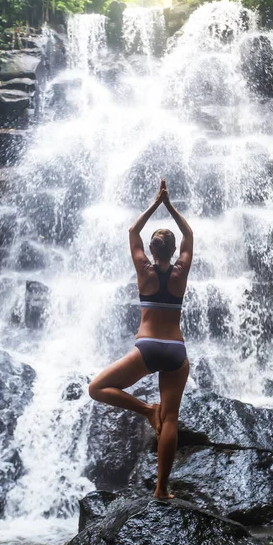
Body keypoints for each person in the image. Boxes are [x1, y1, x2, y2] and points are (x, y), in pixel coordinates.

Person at [88, 178, 193, 499]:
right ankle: (162, 489)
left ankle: (147, 410)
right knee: (172, 418)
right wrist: (171, 206)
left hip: (146, 347)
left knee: (97, 388)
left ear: (151, 249)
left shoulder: (144, 270)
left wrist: (156, 202)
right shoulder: (181, 271)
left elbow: (133, 232)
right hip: (176, 350)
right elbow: (189, 234)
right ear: (174, 251)